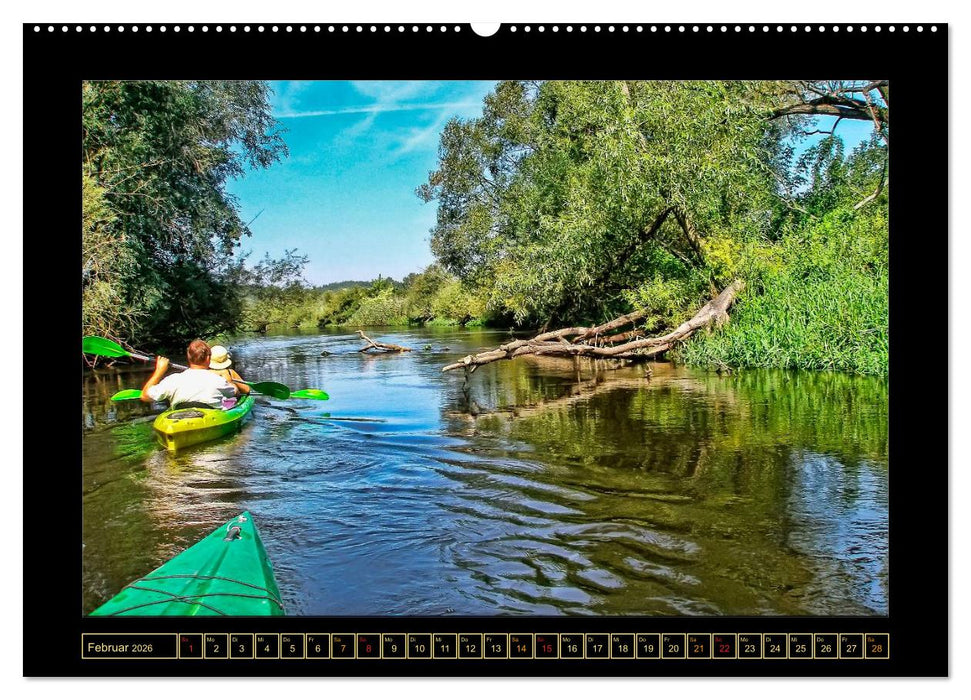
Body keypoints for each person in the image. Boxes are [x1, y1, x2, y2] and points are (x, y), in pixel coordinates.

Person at [140, 339, 239, 409]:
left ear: (188, 357)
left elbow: (145, 396)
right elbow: (234, 392)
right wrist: (231, 383)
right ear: (208, 358)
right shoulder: (218, 380)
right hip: (211, 419)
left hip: (180, 420)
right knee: (232, 400)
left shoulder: (173, 380)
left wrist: (159, 371)